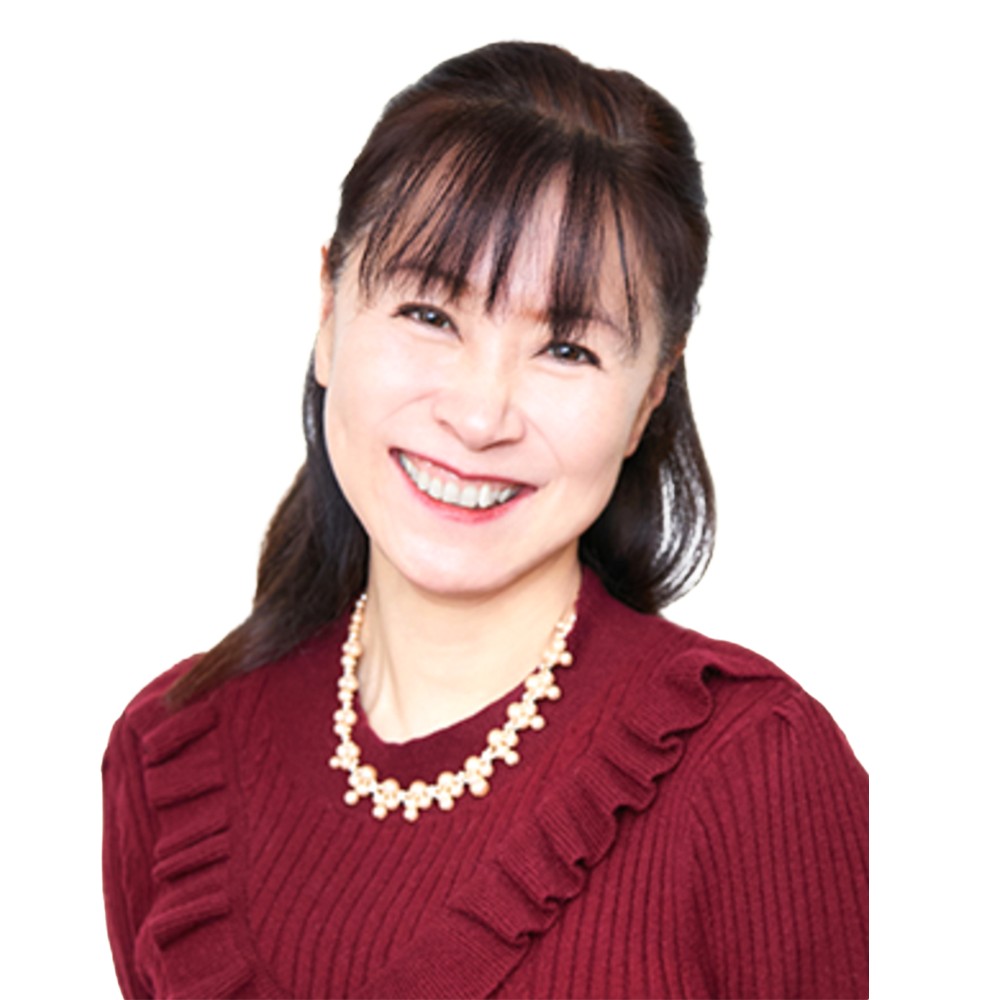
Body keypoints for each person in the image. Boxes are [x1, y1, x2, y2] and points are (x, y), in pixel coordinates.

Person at [102, 41, 868, 999]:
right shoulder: (172, 754)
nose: (478, 416)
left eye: (568, 349)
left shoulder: (756, 769)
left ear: (648, 397)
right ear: (329, 312)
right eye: (430, 314)